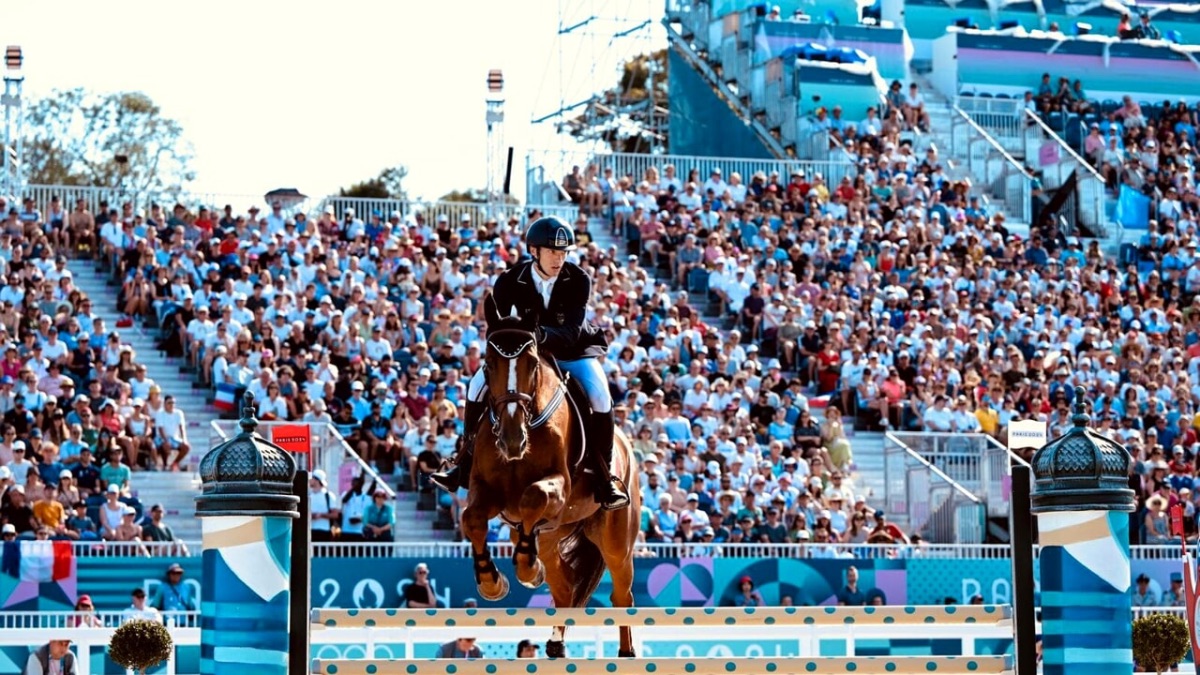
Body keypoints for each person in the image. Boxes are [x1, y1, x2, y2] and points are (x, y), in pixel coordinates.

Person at [431, 216, 630, 511]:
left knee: (601, 396)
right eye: (552, 252)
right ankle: (463, 461)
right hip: (522, 355)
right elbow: (499, 328)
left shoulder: (578, 280)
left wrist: (538, 336)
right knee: (475, 386)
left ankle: (605, 475)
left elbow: (572, 330)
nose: (558, 259)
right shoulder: (509, 281)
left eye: (563, 253)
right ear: (534, 251)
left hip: (571, 351)